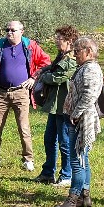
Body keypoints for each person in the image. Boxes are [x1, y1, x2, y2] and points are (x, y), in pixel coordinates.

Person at [0, 19, 50, 173]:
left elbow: (46, 62)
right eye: (7, 30)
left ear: (21, 31)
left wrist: (34, 78)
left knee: (24, 128)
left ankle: (28, 159)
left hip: (21, 92)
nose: (9, 33)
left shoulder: (30, 46)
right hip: (1, 92)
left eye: (13, 30)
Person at [54, 37, 104, 207]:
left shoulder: (90, 69)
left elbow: (89, 95)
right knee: (83, 158)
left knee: (77, 160)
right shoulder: (86, 67)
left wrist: (75, 114)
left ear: (89, 51)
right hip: (81, 119)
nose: (74, 55)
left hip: (83, 120)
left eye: (77, 51)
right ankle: (85, 196)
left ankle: (72, 202)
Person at [34, 26, 79, 186]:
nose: (56, 40)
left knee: (65, 142)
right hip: (55, 105)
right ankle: (48, 173)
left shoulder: (72, 58)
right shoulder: (62, 56)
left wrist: (44, 76)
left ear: (69, 41)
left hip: (64, 106)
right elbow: (53, 70)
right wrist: (44, 70)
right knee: (49, 139)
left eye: (59, 38)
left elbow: (59, 77)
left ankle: (67, 175)